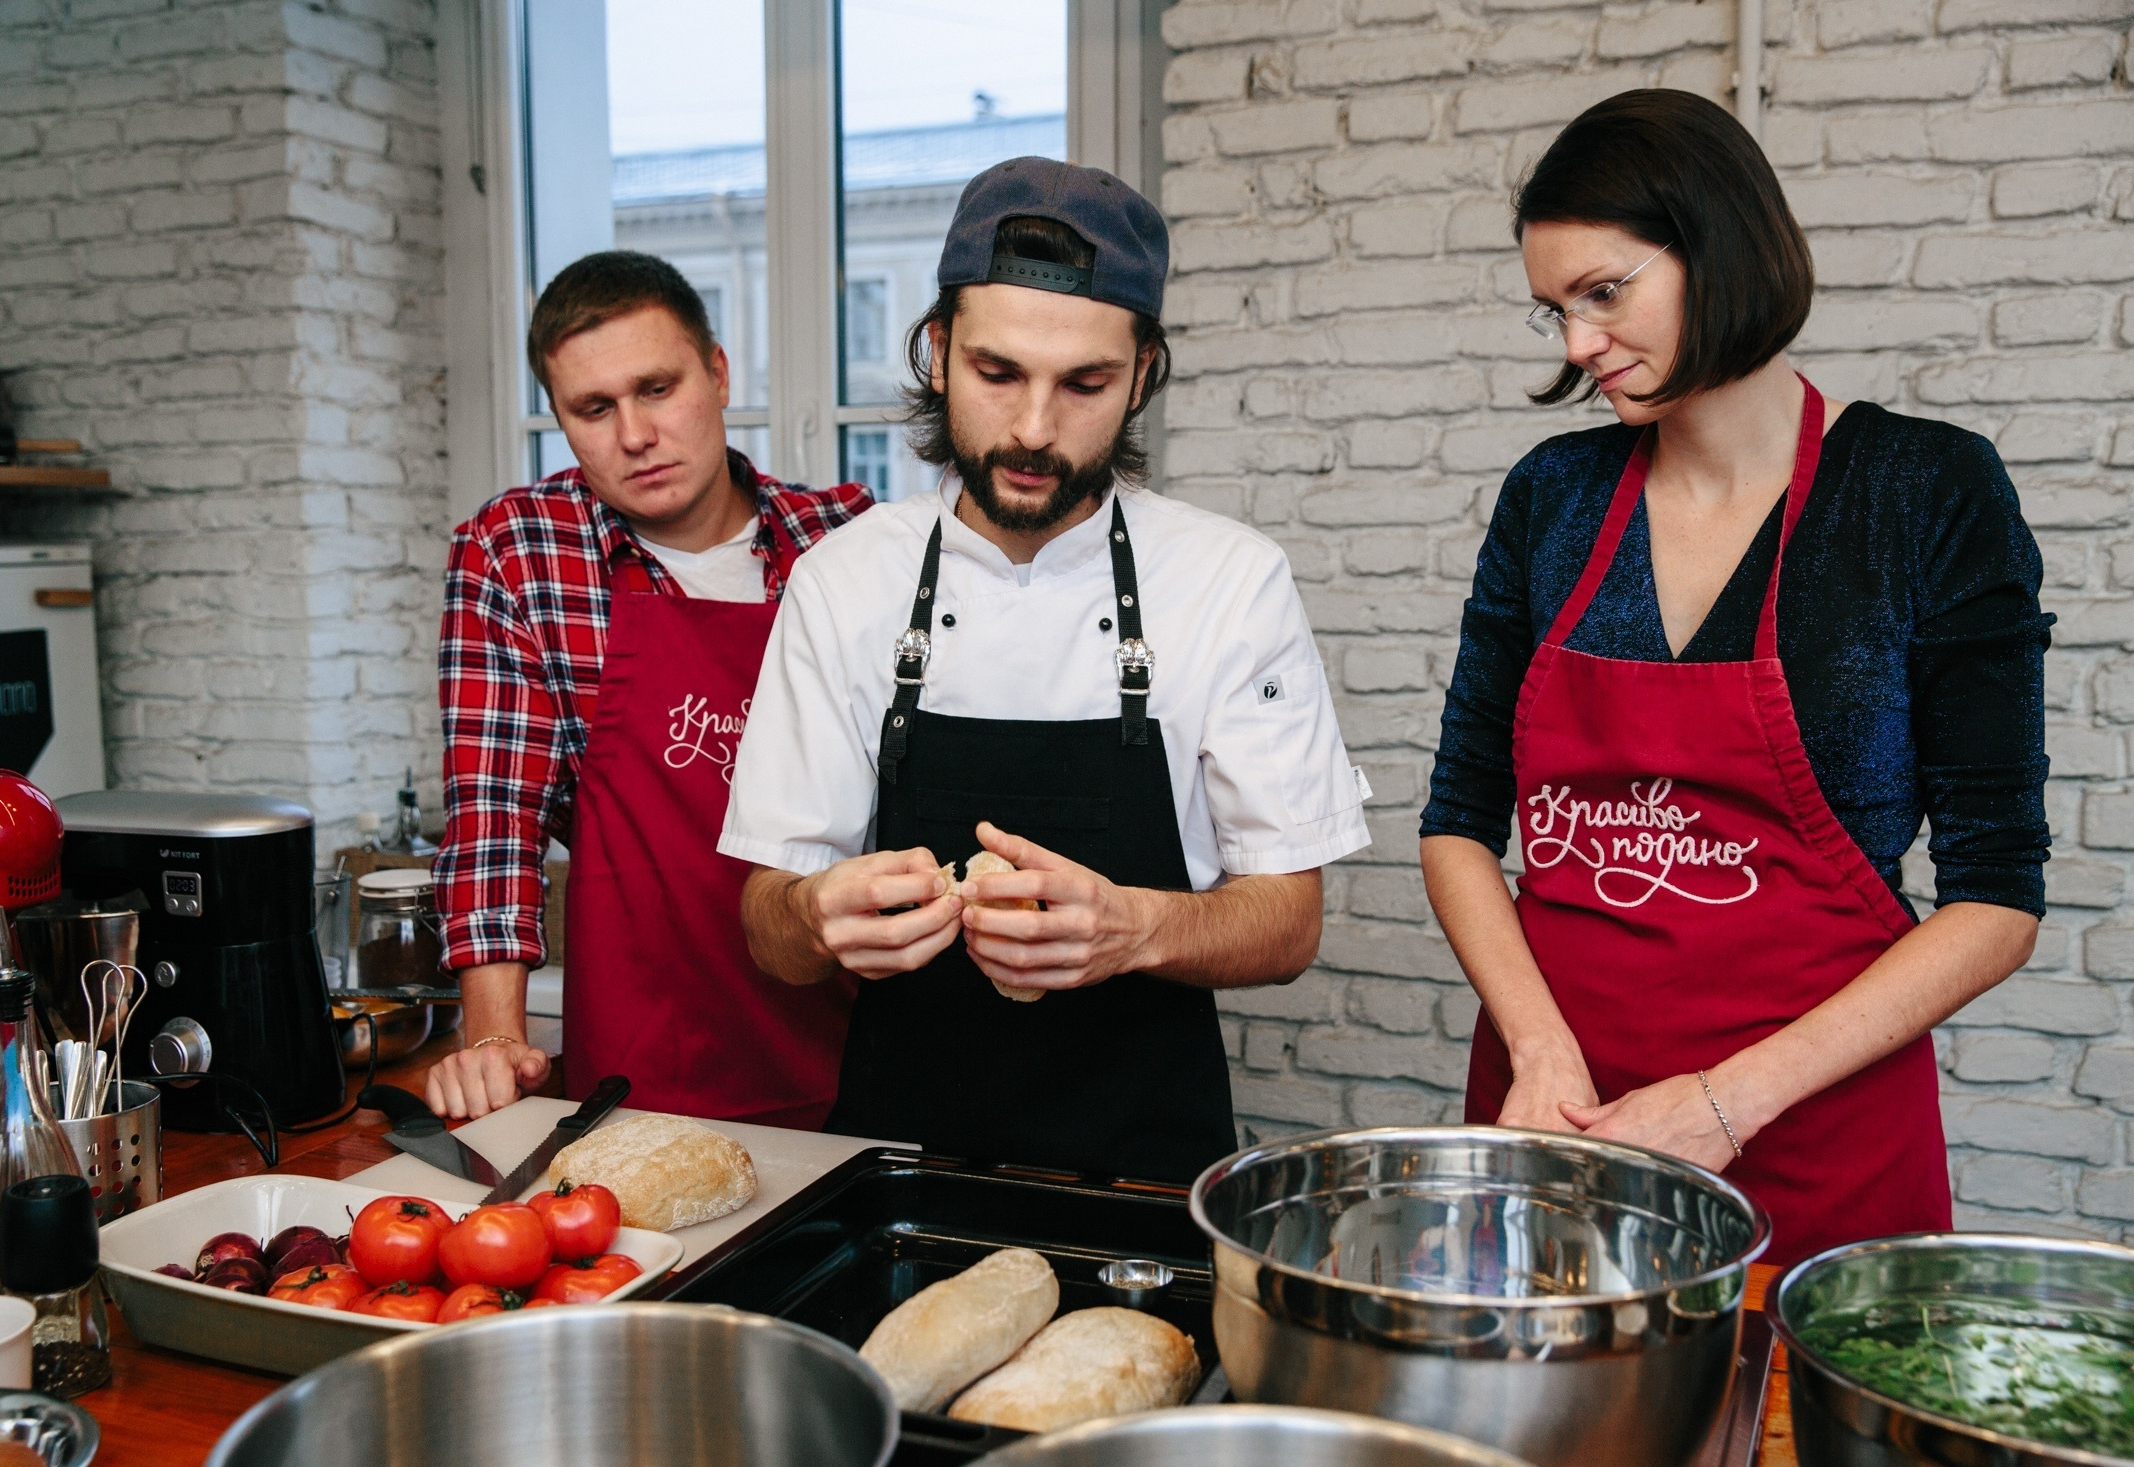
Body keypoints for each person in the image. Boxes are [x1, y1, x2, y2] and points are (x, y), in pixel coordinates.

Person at [1421, 91, 2049, 1264]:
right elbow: (1457, 823)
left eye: (1604, 293)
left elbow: (1996, 897)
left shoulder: (1922, 492)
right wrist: (1540, 1052)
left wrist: (1724, 1101)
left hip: (1810, 1134)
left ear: (1720, 244)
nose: (1576, 346)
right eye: (1554, 310)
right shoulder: (1551, 502)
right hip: (1563, 1116)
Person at [719, 159, 1370, 1184]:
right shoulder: (844, 582)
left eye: (1084, 384)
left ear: (1143, 373)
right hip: (899, 1173)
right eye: (997, 373)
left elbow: (1288, 920)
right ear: (937, 352)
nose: (1031, 429)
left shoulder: (1228, 581)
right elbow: (768, 924)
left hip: (1149, 1176)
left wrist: (1138, 927)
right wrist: (808, 916)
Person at [426, 251, 869, 1124]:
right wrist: (491, 1042)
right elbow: (494, 815)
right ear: (559, 418)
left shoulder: (843, 540)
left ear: (717, 373)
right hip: (645, 1074)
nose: (634, 435)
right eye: (595, 408)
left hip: (858, 1051)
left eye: (657, 389)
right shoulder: (518, 552)